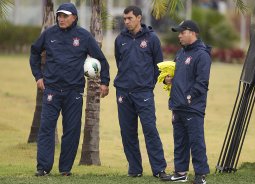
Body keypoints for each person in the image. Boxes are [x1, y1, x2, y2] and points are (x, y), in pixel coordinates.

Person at [29, 3, 110, 176]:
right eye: (59, 15)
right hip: (51, 91)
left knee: (72, 131)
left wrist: (105, 82)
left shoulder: (84, 36)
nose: (61, 19)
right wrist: (38, 76)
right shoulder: (49, 34)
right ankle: (43, 167)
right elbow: (35, 52)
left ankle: (65, 169)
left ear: (74, 17)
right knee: (46, 129)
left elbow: (101, 60)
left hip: (74, 93)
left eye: (65, 16)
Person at [114, 6, 168, 179]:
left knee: (150, 130)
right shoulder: (119, 39)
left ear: (139, 18)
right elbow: (119, 62)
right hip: (123, 93)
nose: (126, 21)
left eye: (129, 18)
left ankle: (159, 169)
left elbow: (158, 66)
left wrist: (148, 84)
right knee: (127, 132)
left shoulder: (152, 39)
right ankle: (135, 169)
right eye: (125, 19)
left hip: (143, 93)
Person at [162, 20, 211, 184]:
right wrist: (167, 80)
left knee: (196, 142)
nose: (180, 36)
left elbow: (202, 83)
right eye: (179, 33)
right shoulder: (181, 53)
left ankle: (200, 176)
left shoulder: (202, 55)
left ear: (192, 32)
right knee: (180, 141)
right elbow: (177, 76)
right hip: (177, 106)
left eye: (182, 32)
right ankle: (180, 173)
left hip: (192, 107)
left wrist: (189, 97)